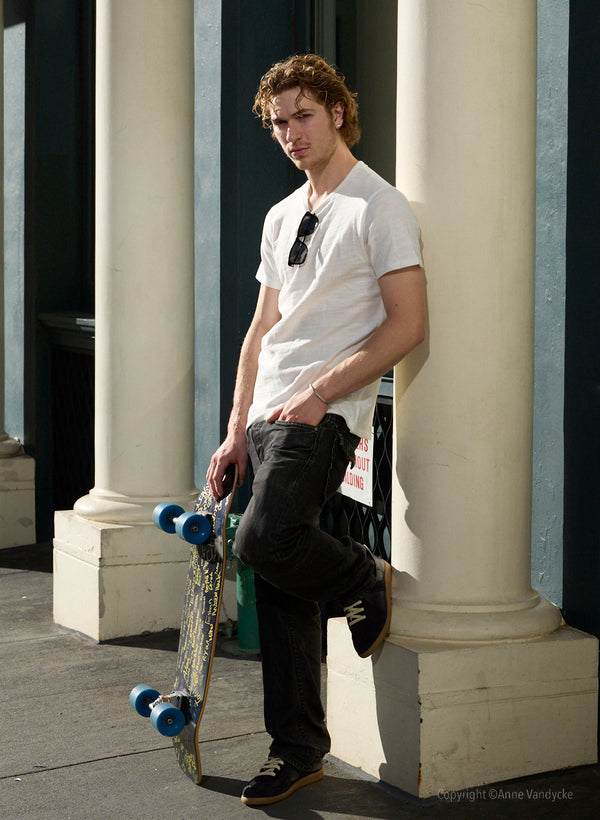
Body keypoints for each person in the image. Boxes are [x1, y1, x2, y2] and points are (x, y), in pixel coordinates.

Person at [207, 54, 425, 807]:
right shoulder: (280, 214)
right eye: (278, 123)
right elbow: (261, 330)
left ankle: (361, 575)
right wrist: (235, 429)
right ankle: (296, 750)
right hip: (265, 417)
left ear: (337, 112)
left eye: (303, 115)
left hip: (321, 414)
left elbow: (408, 325)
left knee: (263, 542)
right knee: (279, 584)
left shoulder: (378, 207)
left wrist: (320, 392)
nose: (290, 133)